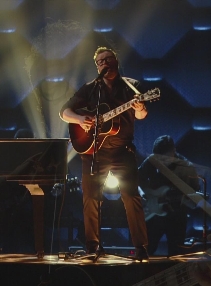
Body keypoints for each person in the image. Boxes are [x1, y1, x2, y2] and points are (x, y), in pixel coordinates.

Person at [59, 46, 149, 261]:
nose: (104, 63)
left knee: (131, 197)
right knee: (90, 197)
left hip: (123, 150)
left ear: (116, 61)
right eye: (100, 61)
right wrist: (81, 120)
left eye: (108, 59)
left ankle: (141, 247)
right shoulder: (90, 89)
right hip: (93, 152)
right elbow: (64, 112)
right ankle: (92, 246)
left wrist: (139, 107)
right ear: (97, 66)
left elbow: (142, 114)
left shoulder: (131, 85)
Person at [138, 135, 200, 256]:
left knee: (176, 255)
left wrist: (187, 199)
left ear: (173, 152)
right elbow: (136, 179)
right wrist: (142, 194)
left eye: (164, 159)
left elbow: (194, 194)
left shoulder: (187, 167)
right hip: (154, 216)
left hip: (177, 217)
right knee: (145, 250)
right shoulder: (151, 160)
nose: (161, 162)